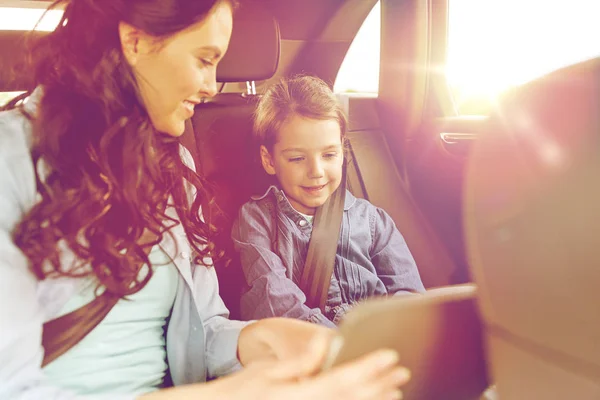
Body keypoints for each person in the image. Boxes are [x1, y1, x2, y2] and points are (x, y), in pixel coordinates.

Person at [0, 0, 411, 399]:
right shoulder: (10, 158)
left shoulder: (172, 168)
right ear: (136, 42)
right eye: (204, 59)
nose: (212, 86)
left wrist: (255, 339)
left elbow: (203, 327)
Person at [232, 75, 426, 327]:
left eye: (329, 155)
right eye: (297, 159)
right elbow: (273, 297)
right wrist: (338, 344)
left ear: (342, 151)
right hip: (306, 345)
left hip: (379, 339)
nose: (316, 171)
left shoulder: (372, 221)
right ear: (269, 160)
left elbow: (409, 294)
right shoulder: (257, 220)